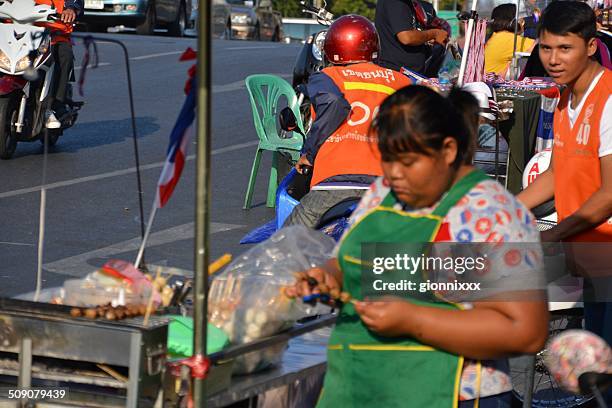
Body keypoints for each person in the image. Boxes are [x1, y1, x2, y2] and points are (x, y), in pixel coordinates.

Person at [288, 86, 549, 407]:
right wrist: (329, 276)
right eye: (387, 160)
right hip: (362, 384)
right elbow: (347, 261)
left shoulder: (493, 213)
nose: (393, 174)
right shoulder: (385, 192)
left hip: (451, 395)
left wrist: (414, 320)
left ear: (449, 150)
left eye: (408, 161)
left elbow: (526, 330)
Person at [517, 1, 611, 349]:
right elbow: (557, 172)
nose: (553, 59)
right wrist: (504, 209)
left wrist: (550, 235)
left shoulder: (609, 99)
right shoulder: (564, 97)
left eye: (565, 48)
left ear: (590, 46)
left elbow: (608, 195)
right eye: (545, 48)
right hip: (590, 256)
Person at [283, 15, 412, 228]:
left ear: (333, 45)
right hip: (387, 185)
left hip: (334, 183)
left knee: (287, 242)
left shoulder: (327, 76)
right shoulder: (401, 81)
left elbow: (334, 104)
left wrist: (309, 154)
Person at [36, 0, 83, 129]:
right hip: (20, 31)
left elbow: (76, 2)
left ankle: (53, 107)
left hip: (54, 33)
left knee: (64, 55)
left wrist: (71, 8)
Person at [375, 0, 449, 74]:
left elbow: (405, 31)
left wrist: (426, 39)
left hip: (408, 72)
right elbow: (406, 37)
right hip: (398, 73)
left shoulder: (405, 3)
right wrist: (434, 33)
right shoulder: (396, 2)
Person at [484, 3, 536, 75]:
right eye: (520, 19)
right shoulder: (508, 39)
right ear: (513, 21)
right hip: (492, 84)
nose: (522, 22)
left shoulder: (498, 36)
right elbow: (541, 47)